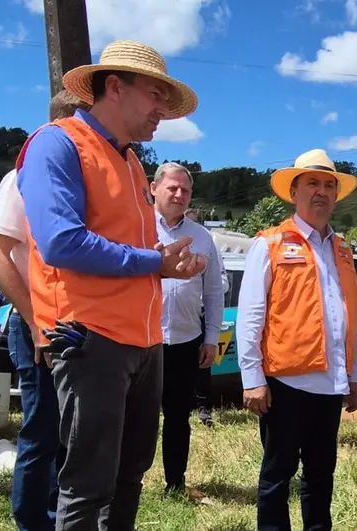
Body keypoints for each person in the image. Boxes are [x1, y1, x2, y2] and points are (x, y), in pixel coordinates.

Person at [16, 40, 206, 530]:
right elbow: (61, 242)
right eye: (155, 96)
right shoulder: (57, 143)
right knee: (88, 483)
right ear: (115, 87)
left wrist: (168, 267)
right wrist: (153, 263)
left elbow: (136, 252)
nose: (162, 110)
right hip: (91, 338)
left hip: (145, 343)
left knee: (130, 475)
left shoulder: (131, 162)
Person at [235, 148, 357, 531]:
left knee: (322, 475)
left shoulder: (343, 250)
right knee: (277, 475)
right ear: (294, 192)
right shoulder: (270, 243)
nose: (322, 191)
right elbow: (251, 315)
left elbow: (348, 318)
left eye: (329, 185)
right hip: (285, 383)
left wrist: (354, 377)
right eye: (312, 183)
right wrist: (252, 379)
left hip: (330, 386)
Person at [0, 90, 89, 531]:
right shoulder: (23, 177)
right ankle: (32, 522)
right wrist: (36, 321)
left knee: (69, 433)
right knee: (41, 432)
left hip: (74, 326)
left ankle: (57, 514)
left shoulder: (79, 180)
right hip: (38, 327)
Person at [152, 162, 225, 494]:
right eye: (172, 187)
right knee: (135, 417)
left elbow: (212, 291)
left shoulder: (202, 237)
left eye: (185, 189)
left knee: (178, 418)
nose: (179, 194)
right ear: (154, 189)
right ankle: (127, 482)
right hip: (142, 339)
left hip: (185, 341)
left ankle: (175, 483)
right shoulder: (137, 227)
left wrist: (211, 337)